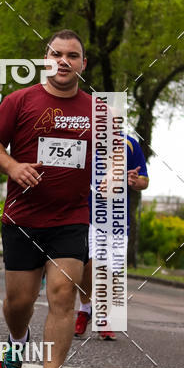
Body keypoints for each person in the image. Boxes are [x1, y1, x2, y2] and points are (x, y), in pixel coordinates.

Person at [0, 29, 92, 368]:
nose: (64, 61)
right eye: (57, 54)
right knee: (19, 302)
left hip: (71, 217)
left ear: (82, 64)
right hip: (23, 218)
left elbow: (112, 156)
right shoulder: (20, 100)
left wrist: (114, 175)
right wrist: (12, 166)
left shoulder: (99, 110)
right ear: (46, 60)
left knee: (63, 294)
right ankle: (17, 340)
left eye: (72, 55)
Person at [74, 134, 149, 340]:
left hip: (117, 219)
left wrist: (134, 182)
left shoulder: (130, 144)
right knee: (88, 264)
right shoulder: (84, 138)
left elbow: (144, 180)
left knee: (110, 270)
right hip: (86, 214)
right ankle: (85, 308)